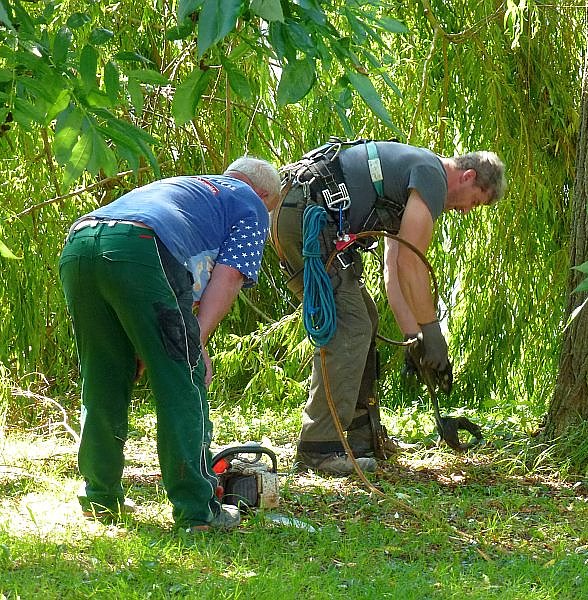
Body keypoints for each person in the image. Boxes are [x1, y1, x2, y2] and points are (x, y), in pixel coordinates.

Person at [59, 157, 281, 531]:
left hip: (81, 244)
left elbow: (180, 299)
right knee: (182, 381)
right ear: (264, 194)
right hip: (142, 248)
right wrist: (194, 351)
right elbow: (227, 281)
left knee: (104, 377)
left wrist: (170, 343)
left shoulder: (191, 189)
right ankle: (198, 511)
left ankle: (100, 497)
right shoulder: (251, 202)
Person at [271, 139, 506, 475]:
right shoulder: (431, 177)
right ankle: (318, 449)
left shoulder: (416, 178)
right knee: (350, 325)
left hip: (300, 214)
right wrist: (432, 332)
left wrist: (413, 337)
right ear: (468, 176)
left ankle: (360, 436)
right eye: (474, 202)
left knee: (364, 317)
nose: (466, 210)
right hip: (307, 221)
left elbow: (394, 271)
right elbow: (412, 264)